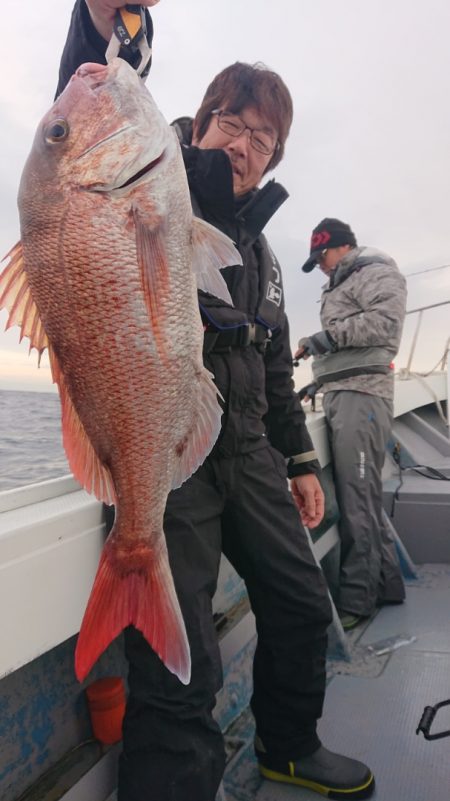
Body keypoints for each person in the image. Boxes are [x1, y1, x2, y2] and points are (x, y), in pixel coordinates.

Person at [57, 5, 375, 799]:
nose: (242, 144)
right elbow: (88, 113)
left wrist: (301, 462)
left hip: (248, 450)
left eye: (261, 138)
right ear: (195, 126)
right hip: (166, 454)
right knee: (181, 656)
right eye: (229, 122)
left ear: (272, 159)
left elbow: (271, 368)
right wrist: (101, 26)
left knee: (304, 603)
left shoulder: (263, 249)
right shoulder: (149, 185)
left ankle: (288, 744)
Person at [295, 217, 407, 630]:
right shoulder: (340, 282)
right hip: (345, 393)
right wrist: (316, 383)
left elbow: (385, 325)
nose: (320, 266)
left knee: (358, 501)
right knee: (364, 500)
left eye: (321, 256)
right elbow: (350, 351)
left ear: (339, 246)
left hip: (363, 399)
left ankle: (358, 601)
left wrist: (324, 339)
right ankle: (388, 584)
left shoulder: (373, 271)